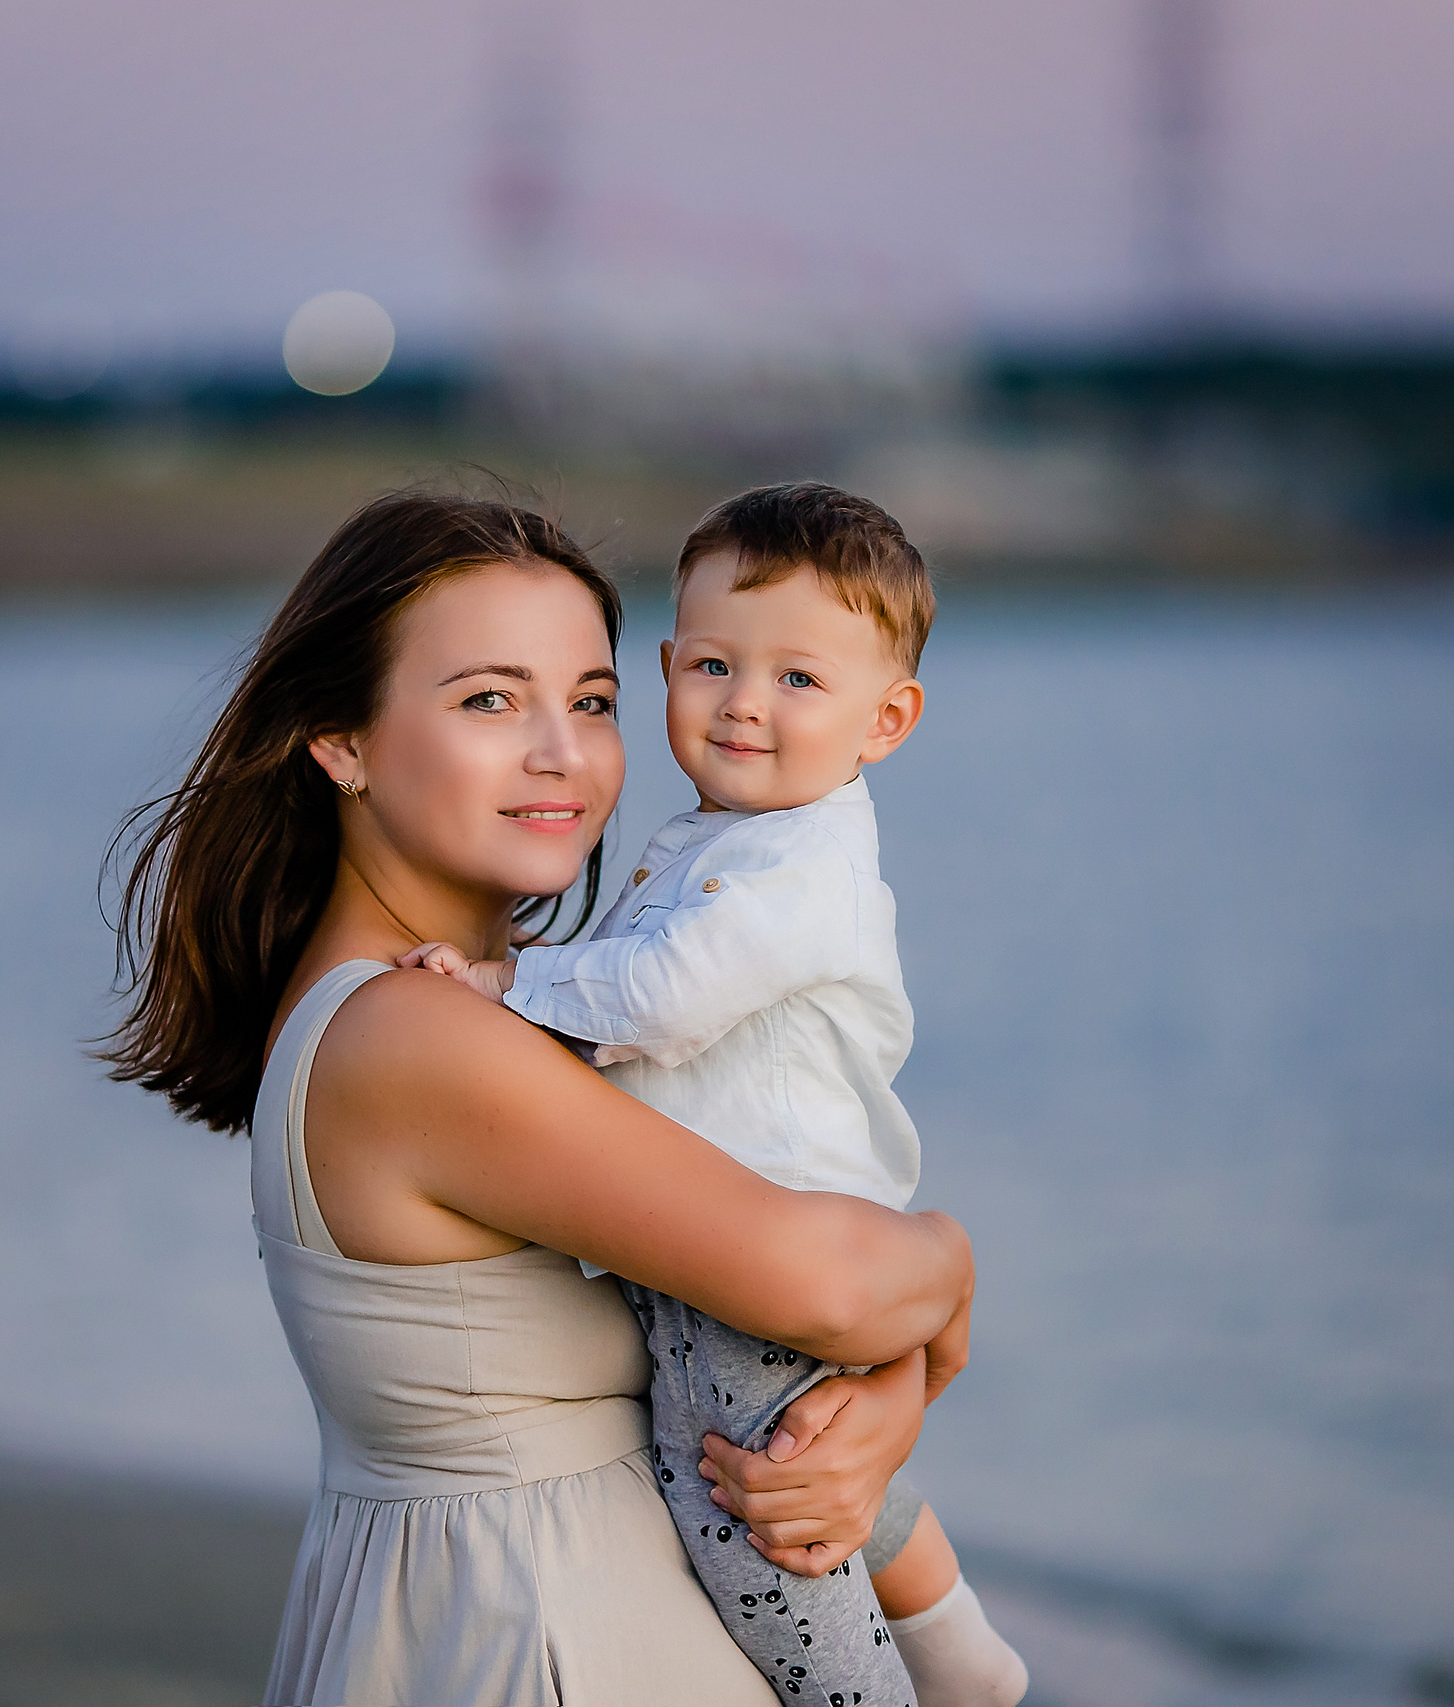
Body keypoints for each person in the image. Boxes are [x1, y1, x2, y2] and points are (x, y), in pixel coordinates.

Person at [101, 490, 977, 1707]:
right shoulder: (419, 1032)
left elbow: (751, 1307)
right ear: (339, 739)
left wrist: (874, 1404)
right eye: (487, 700)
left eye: (593, 702)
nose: (562, 752)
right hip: (550, 1637)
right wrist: (946, 1261)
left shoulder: (442, 1013)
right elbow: (823, 1285)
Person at [402, 484, 1029, 1707]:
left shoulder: (800, 867)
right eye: (714, 665)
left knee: (757, 1539)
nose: (745, 701)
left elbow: (663, 998)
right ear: (667, 665)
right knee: (823, 1473)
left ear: (886, 720)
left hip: (756, 1272)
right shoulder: (731, 837)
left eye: (799, 680)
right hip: (755, 1250)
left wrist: (505, 979)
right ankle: (964, 1655)